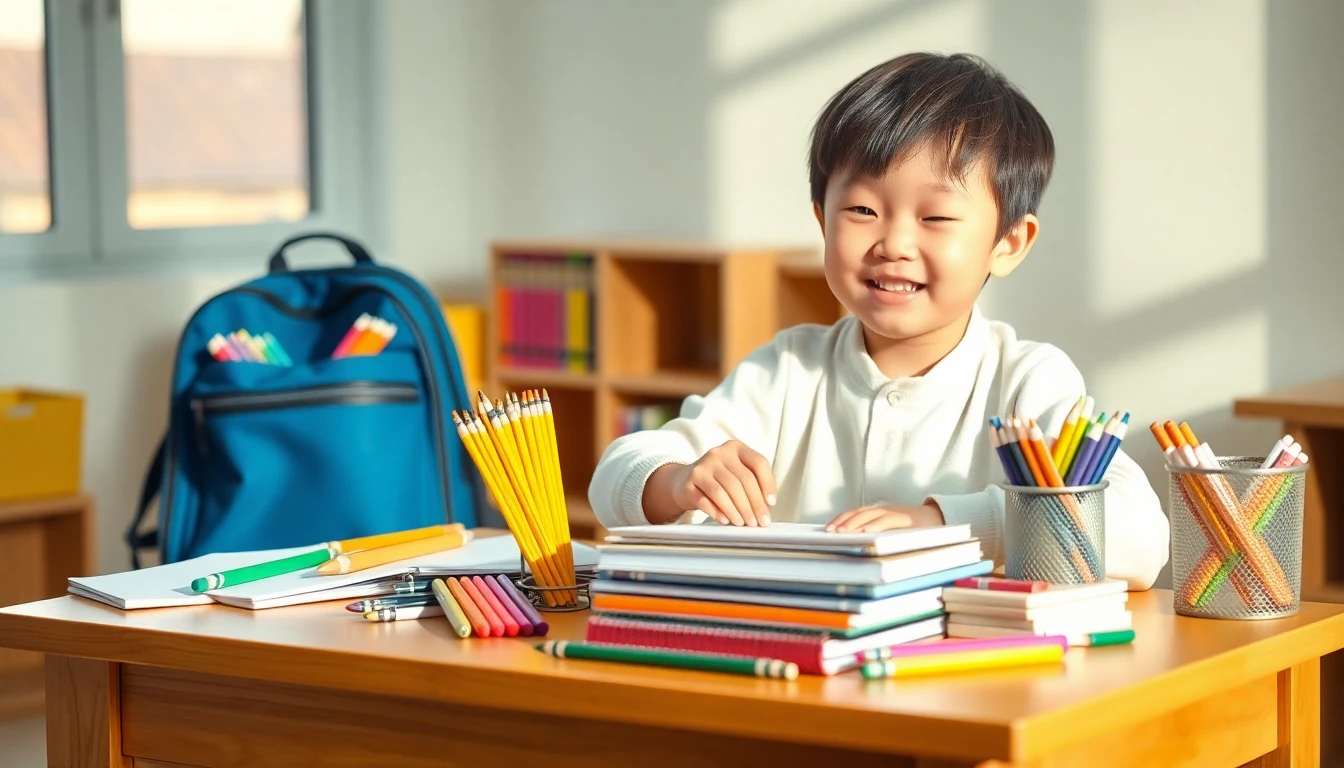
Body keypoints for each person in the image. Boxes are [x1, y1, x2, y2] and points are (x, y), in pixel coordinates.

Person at [587, 52, 1169, 589]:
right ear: (822, 221)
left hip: (964, 679)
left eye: (936, 216)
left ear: (1009, 242)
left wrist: (947, 523)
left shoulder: (1029, 381)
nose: (894, 243)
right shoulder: (787, 368)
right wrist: (676, 479)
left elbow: (1141, 542)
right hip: (805, 668)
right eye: (862, 210)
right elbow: (615, 476)